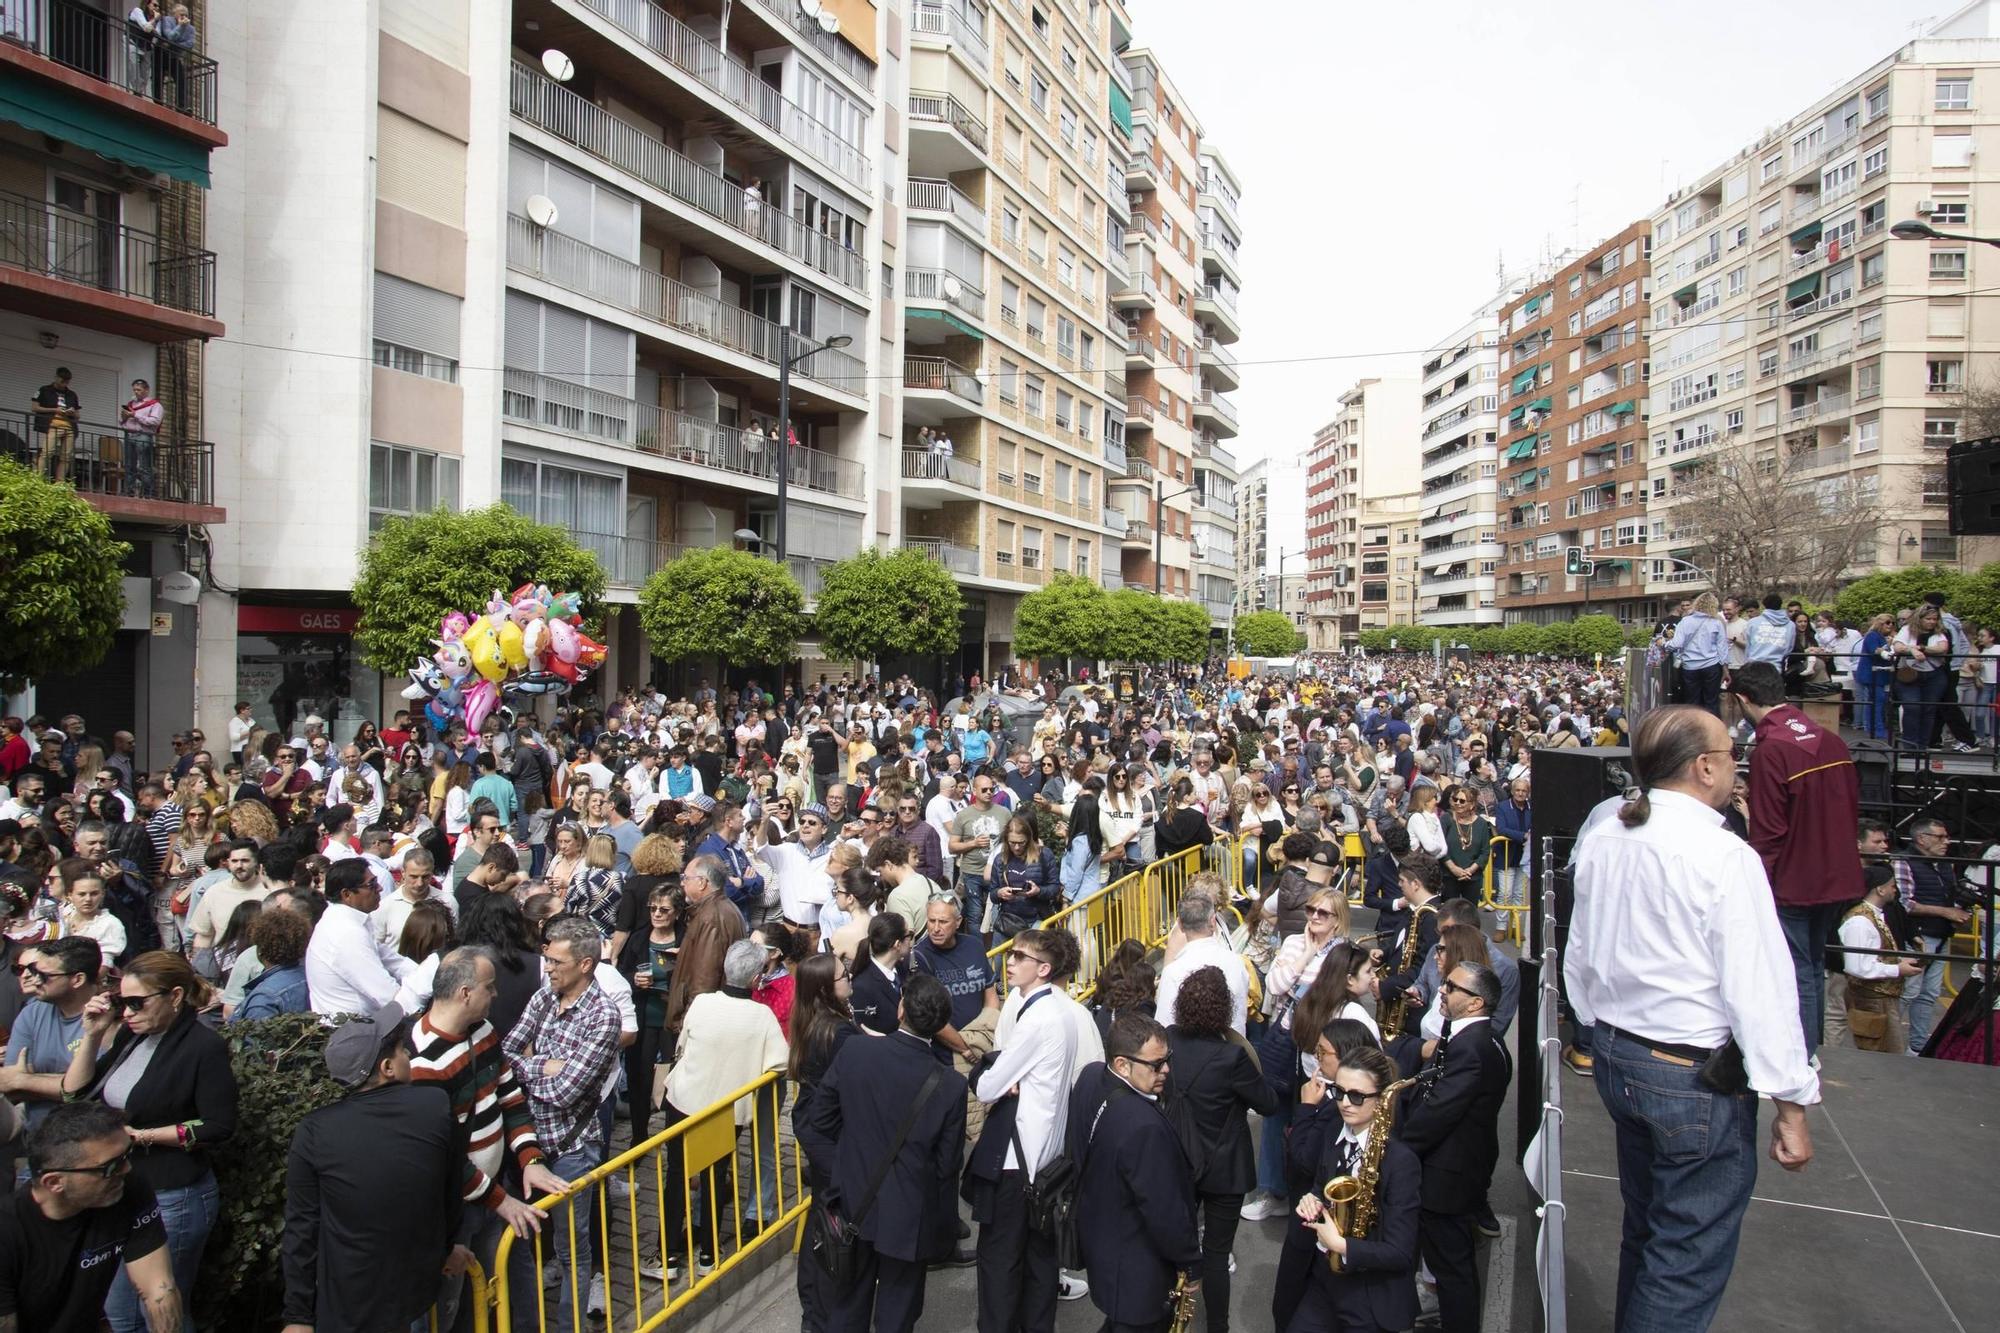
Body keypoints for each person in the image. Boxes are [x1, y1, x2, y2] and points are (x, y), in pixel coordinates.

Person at [1565, 705, 1817, 1333]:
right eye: (1732, 757)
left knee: (1648, 1230)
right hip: (1688, 1077)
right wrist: (1790, 1102)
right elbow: (1760, 988)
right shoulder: (1722, 854)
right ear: (1705, 767)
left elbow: (1579, 950)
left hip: (1619, 1055)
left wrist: (1594, 1023)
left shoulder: (1605, 834)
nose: (1737, 769)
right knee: (1683, 1258)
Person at [60, 951, 236, 1333]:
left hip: (174, 1194)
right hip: (126, 1189)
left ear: (175, 996)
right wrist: (91, 1035)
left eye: (137, 1003)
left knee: (162, 1312)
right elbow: (74, 1093)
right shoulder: (131, 1035)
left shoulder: (203, 1046)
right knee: (120, 1312)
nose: (127, 1013)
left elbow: (218, 1125)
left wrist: (142, 1137)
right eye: (122, 1002)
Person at [796, 972, 968, 1333]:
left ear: (901, 1009)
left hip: (853, 1201)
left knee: (847, 1307)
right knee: (897, 1314)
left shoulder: (857, 1052)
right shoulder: (950, 1085)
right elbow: (946, 1166)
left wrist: (848, 1161)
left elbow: (819, 1121)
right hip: (909, 1215)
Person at [281, 1002, 466, 1333]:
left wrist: (298, 1315)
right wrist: (445, 1249)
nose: (408, 1054)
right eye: (402, 1050)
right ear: (387, 1068)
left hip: (348, 1305)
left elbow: (301, 1229)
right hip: (416, 1293)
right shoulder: (434, 1106)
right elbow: (451, 1196)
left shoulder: (314, 1132)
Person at [966, 927, 1101, 1329]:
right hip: (1047, 1162)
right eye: (1012, 954)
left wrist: (997, 1073)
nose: (1009, 961)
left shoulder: (1037, 1016)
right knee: (1039, 1266)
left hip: (1018, 1165)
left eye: (1020, 956)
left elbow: (987, 1086)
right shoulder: (1062, 1011)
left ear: (1043, 968)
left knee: (1000, 1266)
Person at [1726, 662, 1862, 1056]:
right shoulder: (1832, 741)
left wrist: (1756, 884)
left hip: (1794, 881)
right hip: (1836, 875)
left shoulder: (1772, 751)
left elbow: (1768, 830)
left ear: (1742, 699)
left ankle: (1802, 1056)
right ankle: (1809, 1052)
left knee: (1796, 970)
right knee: (1813, 966)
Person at [502, 917, 620, 1330]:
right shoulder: (543, 997)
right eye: (547, 959)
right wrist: (544, 1065)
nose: (548, 968)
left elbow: (565, 1092)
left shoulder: (603, 1015)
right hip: (525, 1143)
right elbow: (505, 1056)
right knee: (520, 1241)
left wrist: (528, 1068)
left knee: (572, 1249)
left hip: (571, 1149)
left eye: (556, 961)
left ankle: (571, 1324)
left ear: (585, 964)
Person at [655, 939, 788, 1276]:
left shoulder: (702, 1002)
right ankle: (708, 1255)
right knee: (715, 1176)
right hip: (726, 1110)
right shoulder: (762, 1016)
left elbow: (683, 1042)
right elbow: (779, 1063)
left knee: (677, 1175)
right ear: (756, 977)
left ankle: (667, 1256)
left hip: (685, 1101)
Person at [1394, 961, 1509, 1333]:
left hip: (1447, 1179)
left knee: (1452, 1269)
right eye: (1446, 983)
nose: (1442, 990)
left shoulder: (1472, 1048)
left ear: (1476, 1003)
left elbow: (1438, 1113)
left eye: (1453, 987)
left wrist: (1396, 1152)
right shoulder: (1476, 1037)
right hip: (1455, 1169)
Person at [1071, 1010, 1202, 1333]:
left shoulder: (1092, 1079)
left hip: (1106, 1250)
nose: (1166, 1069)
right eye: (1156, 1064)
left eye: (1167, 1059)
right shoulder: (1144, 1126)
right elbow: (1164, 1209)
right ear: (1122, 1065)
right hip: (1137, 1272)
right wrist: (1190, 1264)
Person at [0, 1102, 182, 1333]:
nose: (126, 1168)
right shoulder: (7, 1230)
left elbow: (159, 1289)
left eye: (127, 1155)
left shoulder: (126, 1189)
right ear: (54, 1182)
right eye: (110, 1167)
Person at [1164, 965, 1277, 1333]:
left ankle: (1166, 1316)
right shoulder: (1232, 1056)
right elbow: (1268, 1104)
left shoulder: (1168, 1041)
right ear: (1223, 1008)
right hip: (1224, 1167)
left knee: (1173, 1246)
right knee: (1215, 1254)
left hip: (1179, 1161)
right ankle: (1217, 1326)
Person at [1286, 1045, 1422, 1333]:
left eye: (1357, 1096)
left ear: (1383, 1099)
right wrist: (1312, 1200)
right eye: (1340, 1092)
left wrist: (1341, 1245)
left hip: (1371, 1296)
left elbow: (1400, 1252)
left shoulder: (1401, 1162)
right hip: (1326, 1280)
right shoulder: (1334, 1129)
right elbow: (1320, 1186)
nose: (1345, 1103)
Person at [0, 937, 103, 1140]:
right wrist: (61, 1082)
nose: (35, 980)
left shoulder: (106, 1017)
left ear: (77, 979)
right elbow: (8, 1085)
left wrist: (23, 1080)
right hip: (38, 1137)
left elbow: (91, 1089)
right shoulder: (32, 1012)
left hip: (90, 1139)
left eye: (44, 975)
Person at [1893, 817, 1970, 1054]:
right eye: (1940, 837)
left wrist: (1959, 907)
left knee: (1929, 994)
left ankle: (1917, 1049)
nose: (1946, 841)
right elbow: (1906, 903)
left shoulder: (1945, 864)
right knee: (1908, 992)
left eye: (1946, 836)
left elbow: (1949, 895)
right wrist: (1947, 912)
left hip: (1941, 934)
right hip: (1917, 935)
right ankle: (1888, 1043)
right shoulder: (1904, 861)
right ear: (1921, 839)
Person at [306, 860, 413, 1016]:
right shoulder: (346, 932)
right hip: (353, 1028)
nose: (380, 888)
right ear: (347, 894)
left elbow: (394, 961)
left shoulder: (349, 920)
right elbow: (388, 995)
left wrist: (430, 977)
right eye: (372, 884)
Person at [1837, 863, 1923, 1053]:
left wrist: (1899, 962)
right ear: (1880, 889)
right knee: (1882, 1053)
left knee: (1888, 1051)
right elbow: (1856, 967)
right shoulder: (1860, 922)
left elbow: (1874, 956)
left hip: (1881, 998)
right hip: (1872, 1000)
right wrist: (1897, 969)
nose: (1895, 890)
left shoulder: (1872, 917)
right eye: (1892, 885)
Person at [1154, 894, 1248, 1034]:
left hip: (1189, 1045)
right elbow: (1239, 1018)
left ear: (1180, 925)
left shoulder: (1173, 971)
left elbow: (1165, 1025)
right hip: (1231, 1043)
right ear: (1213, 921)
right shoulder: (1236, 962)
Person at [1669, 592, 1728, 715]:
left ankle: (1694, 724)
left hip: (1690, 666)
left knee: (1692, 702)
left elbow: (1676, 643)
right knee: (1711, 701)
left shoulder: (1685, 621)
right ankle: (1712, 724)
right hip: (1711, 665)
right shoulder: (1716, 622)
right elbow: (1722, 647)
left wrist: (1664, 644)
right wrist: (1725, 668)